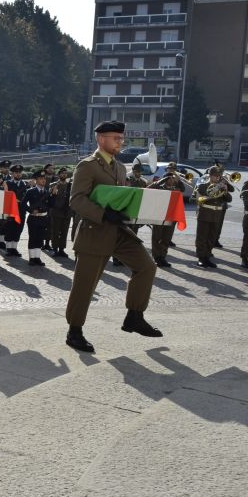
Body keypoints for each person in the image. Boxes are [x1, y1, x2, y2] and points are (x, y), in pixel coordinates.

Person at [65, 121, 160, 354]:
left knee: (146, 266)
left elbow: (120, 197)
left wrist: (140, 205)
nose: (121, 142)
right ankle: (74, 331)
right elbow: (76, 200)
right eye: (116, 138)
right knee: (85, 287)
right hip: (94, 232)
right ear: (101, 139)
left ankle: (134, 316)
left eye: (121, 138)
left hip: (118, 232)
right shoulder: (87, 166)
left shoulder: (119, 167)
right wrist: (104, 214)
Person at [193, 166, 231, 268]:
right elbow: (196, 198)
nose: (217, 178)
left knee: (212, 237)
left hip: (216, 216)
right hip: (205, 214)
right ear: (210, 176)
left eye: (218, 176)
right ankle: (201, 258)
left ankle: (207, 257)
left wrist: (225, 190)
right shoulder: (202, 186)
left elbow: (229, 199)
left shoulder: (221, 186)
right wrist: (217, 188)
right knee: (202, 237)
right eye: (215, 176)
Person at [23, 169, 50, 266]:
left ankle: (37, 257)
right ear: (36, 180)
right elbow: (23, 204)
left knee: (40, 238)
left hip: (43, 218)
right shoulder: (31, 191)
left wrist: (54, 196)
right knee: (33, 238)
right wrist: (30, 210)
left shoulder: (47, 192)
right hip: (33, 218)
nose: (43, 180)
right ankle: (32, 258)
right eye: (41, 178)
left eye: (44, 178)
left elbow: (51, 205)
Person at [3, 165, 28, 257]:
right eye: (16, 172)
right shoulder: (8, 183)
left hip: (21, 211)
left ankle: (14, 248)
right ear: (12, 174)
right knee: (10, 229)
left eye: (19, 172)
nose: (18, 174)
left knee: (19, 229)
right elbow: (5, 197)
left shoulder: (24, 184)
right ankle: (9, 248)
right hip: (11, 210)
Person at [47, 167, 72, 259]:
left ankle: (62, 249)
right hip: (56, 211)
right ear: (58, 175)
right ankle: (55, 249)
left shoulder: (70, 185)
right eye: (62, 173)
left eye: (65, 173)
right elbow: (50, 196)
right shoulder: (53, 184)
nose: (64, 175)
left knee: (64, 231)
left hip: (67, 212)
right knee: (55, 231)